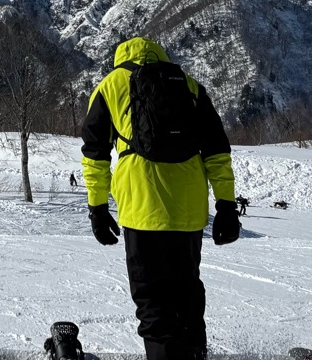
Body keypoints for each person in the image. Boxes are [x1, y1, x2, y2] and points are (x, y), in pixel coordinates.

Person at [82, 36, 238, 360]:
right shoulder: (190, 87)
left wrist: (97, 208)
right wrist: (226, 205)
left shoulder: (110, 85)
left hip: (141, 208)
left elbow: (96, 156)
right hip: (190, 209)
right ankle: (195, 353)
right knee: (187, 291)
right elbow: (217, 152)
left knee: (153, 299)